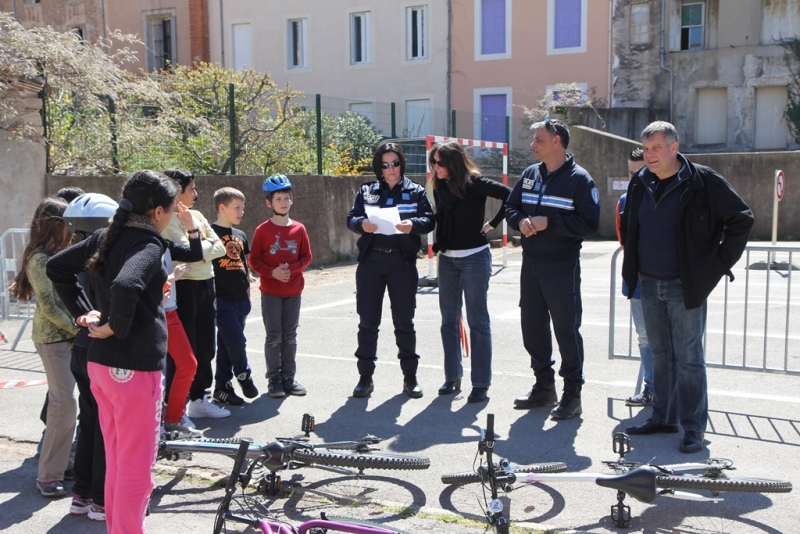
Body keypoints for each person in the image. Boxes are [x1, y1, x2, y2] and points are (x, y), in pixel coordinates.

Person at [47, 170, 179, 533]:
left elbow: (56, 267)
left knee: (119, 462)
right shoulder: (150, 243)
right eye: (171, 210)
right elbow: (125, 283)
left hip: (101, 367)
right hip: (134, 370)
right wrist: (112, 324)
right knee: (136, 469)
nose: (173, 217)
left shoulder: (107, 236)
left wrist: (83, 312)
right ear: (156, 212)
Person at [621, 121, 754, 453]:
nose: (649, 155)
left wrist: (716, 266)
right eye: (645, 148)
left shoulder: (702, 181)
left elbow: (742, 219)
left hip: (685, 285)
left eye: (655, 148)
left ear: (674, 147)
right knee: (662, 355)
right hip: (648, 283)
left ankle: (693, 427)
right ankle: (664, 417)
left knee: (689, 358)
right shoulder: (640, 181)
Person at [505, 119, 600, 420]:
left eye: (539, 140)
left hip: (562, 264)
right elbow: (511, 206)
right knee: (532, 327)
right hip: (531, 264)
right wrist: (519, 221)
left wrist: (550, 223)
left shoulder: (580, 180)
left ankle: (573, 394)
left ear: (557, 141)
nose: (532, 145)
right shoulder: (530, 174)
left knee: (566, 330)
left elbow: (590, 223)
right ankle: (544, 387)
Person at [346, 143, 435, 398]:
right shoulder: (367, 191)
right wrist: (361, 223)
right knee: (368, 323)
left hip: (402, 263)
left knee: (404, 322)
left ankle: (410, 378)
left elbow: (429, 220)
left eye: (394, 163)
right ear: (379, 167)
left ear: (401, 164)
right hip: (371, 262)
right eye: (385, 165)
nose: (390, 169)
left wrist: (412, 225)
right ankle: (365, 377)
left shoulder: (416, 191)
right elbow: (351, 218)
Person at [428, 140, 511, 403]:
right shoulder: (440, 185)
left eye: (440, 162)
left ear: (452, 162)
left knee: (478, 321)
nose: (435, 167)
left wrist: (494, 224)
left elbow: (511, 195)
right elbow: (440, 217)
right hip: (448, 259)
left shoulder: (475, 182)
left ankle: (481, 383)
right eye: (433, 162)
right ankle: (452, 376)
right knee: (448, 321)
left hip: (475, 258)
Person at [10, 197, 79, 498]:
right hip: (53, 341)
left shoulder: (62, 252)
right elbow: (49, 306)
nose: (73, 228)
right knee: (64, 405)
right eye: (69, 222)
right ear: (55, 225)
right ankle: (49, 475)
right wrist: (80, 327)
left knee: (64, 405)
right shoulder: (39, 258)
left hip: (70, 337)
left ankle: (62, 465)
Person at [62, 193, 119, 520]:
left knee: (90, 421)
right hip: (102, 350)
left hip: (81, 349)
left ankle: (81, 494)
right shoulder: (105, 261)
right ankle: (100, 498)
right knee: (105, 426)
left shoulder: (72, 257)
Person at [160, 169, 228, 419]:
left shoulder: (197, 215)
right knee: (182, 350)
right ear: (177, 191)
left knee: (206, 346)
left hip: (206, 284)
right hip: (184, 287)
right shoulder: (168, 219)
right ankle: (177, 404)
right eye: (192, 189)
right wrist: (200, 247)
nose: (196, 194)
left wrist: (199, 247)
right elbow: (187, 251)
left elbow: (218, 246)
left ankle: (200, 398)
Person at [249, 176, 312, 398]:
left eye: (287, 198)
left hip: (294, 291)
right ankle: (273, 379)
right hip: (271, 293)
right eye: (278, 199)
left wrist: (292, 270)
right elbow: (254, 260)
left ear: (292, 201)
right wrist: (272, 272)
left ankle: (288, 377)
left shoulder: (299, 229)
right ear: (269, 203)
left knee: (290, 336)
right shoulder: (262, 231)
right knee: (274, 335)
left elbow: (306, 257)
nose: (283, 202)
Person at [211, 187, 258, 404]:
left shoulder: (240, 235)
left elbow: (244, 265)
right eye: (237, 208)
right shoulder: (209, 234)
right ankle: (243, 374)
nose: (242, 212)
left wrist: (248, 293)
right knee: (237, 341)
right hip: (221, 299)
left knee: (227, 343)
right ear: (222, 208)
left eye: (243, 208)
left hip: (241, 299)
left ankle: (222, 388)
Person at [161, 204, 205, 436]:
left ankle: (173, 417)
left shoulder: (164, 244)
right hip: (150, 316)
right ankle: (158, 420)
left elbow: (196, 254)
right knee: (153, 374)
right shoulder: (141, 245)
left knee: (188, 364)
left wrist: (192, 229)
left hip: (170, 312)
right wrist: (171, 278)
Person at [615, 148, 654, 407]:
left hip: (667, 279)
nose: (634, 178)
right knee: (644, 335)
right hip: (637, 279)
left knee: (674, 340)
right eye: (630, 173)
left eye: (639, 172)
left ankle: (676, 392)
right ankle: (651, 388)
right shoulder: (624, 201)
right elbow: (623, 239)